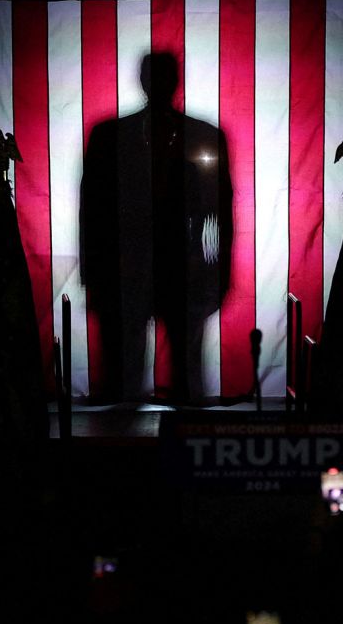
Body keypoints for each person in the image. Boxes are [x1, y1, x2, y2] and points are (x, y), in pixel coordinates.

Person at [81, 53, 232, 405]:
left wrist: (220, 270)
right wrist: (94, 271)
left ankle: (172, 445)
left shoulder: (202, 136)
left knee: (185, 378)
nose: (159, 83)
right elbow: (92, 208)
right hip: (126, 268)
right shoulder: (108, 137)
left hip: (180, 267)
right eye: (155, 76)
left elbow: (221, 211)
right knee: (122, 378)